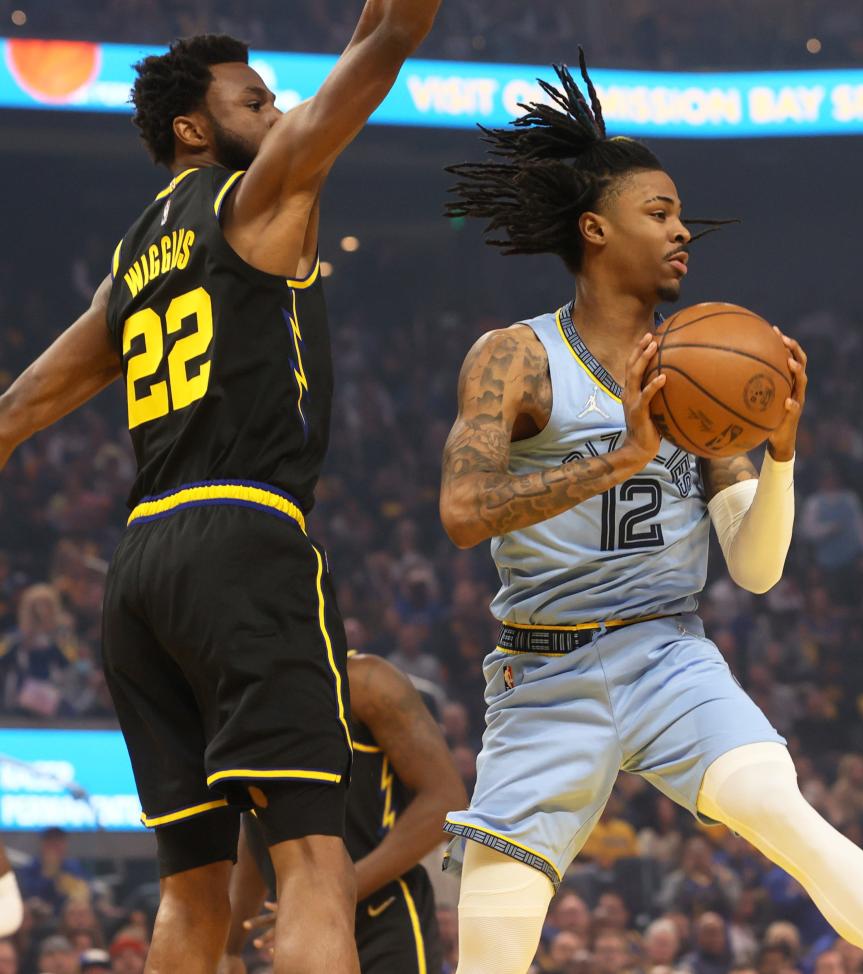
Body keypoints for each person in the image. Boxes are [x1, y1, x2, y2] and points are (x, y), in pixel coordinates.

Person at [437, 53, 863, 974]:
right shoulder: (517, 358)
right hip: (540, 676)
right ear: (595, 229)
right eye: (659, 213)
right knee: (490, 952)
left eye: (680, 218)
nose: (682, 234)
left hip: (667, 649)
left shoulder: (701, 375)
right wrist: (623, 459)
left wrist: (782, 449)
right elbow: (465, 513)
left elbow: (754, 567)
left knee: (777, 806)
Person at [0, 3, 442, 971]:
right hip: (242, 538)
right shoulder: (257, 197)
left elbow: (24, 403)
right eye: (256, 98)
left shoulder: (129, 264)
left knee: (192, 889)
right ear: (194, 128)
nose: (280, 110)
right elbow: (388, 45)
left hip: (140, 571)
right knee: (314, 859)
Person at [221, 652, 467, 974]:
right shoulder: (246, 695)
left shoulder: (367, 679)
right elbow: (256, 823)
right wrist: (230, 947)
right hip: (304, 923)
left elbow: (446, 801)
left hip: (383, 917)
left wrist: (335, 891)